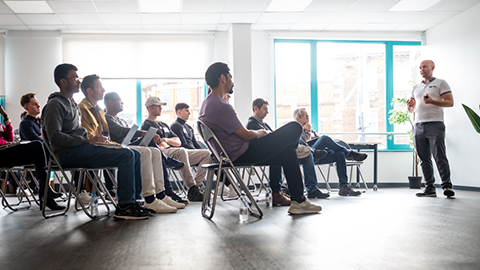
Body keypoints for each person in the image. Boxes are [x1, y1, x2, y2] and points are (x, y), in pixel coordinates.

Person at [199, 62, 322, 215]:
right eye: (230, 77)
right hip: (242, 152)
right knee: (295, 127)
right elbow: (246, 135)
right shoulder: (221, 106)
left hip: (230, 154)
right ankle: (297, 149)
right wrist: (260, 133)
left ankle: (299, 201)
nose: (232, 81)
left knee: (288, 154)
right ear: (223, 78)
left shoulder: (206, 104)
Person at [41, 64, 150, 219]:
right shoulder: (55, 105)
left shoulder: (72, 104)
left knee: (135, 153)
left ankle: (136, 202)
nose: (79, 82)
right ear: (63, 82)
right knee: (126, 155)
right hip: (66, 154)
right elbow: (55, 138)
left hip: (79, 149)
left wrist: (91, 141)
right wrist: (87, 141)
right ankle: (125, 206)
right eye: (75, 78)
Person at [103, 91, 187, 206]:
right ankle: (155, 192)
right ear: (110, 102)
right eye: (119, 100)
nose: (122, 103)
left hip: (129, 144)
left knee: (154, 149)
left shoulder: (121, 120)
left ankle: (161, 193)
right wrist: (144, 133)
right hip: (120, 148)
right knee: (150, 144)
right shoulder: (107, 118)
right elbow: (120, 131)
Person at [247, 98, 330, 202]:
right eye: (264, 109)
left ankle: (312, 188)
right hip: (263, 153)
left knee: (307, 155)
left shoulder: (264, 124)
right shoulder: (252, 124)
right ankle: (310, 150)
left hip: (272, 150)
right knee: (292, 138)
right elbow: (263, 142)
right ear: (256, 108)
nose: (267, 112)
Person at [142, 97, 211, 202]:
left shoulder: (163, 125)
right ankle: (192, 187)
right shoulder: (146, 125)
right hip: (162, 154)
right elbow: (155, 145)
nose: (161, 108)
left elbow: (178, 142)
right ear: (150, 107)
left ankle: (195, 187)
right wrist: (168, 142)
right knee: (182, 151)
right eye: (158, 106)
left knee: (206, 153)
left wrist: (165, 140)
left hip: (175, 152)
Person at [406, 60, 454, 198]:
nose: (422, 69)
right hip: (418, 125)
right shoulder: (416, 87)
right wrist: (409, 105)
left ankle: (446, 186)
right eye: (420, 68)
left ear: (432, 68)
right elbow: (411, 110)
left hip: (435, 124)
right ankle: (429, 188)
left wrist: (432, 101)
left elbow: (450, 102)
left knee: (439, 156)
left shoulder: (440, 83)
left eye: (424, 67)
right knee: (423, 159)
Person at [294, 108, 364, 196]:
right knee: (324, 138)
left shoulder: (311, 130)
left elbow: (318, 141)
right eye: (304, 115)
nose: (308, 116)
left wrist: (310, 131)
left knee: (340, 154)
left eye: (307, 114)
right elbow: (303, 144)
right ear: (298, 118)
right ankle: (349, 153)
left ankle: (344, 187)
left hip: (319, 154)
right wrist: (306, 130)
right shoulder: (295, 129)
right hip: (306, 154)